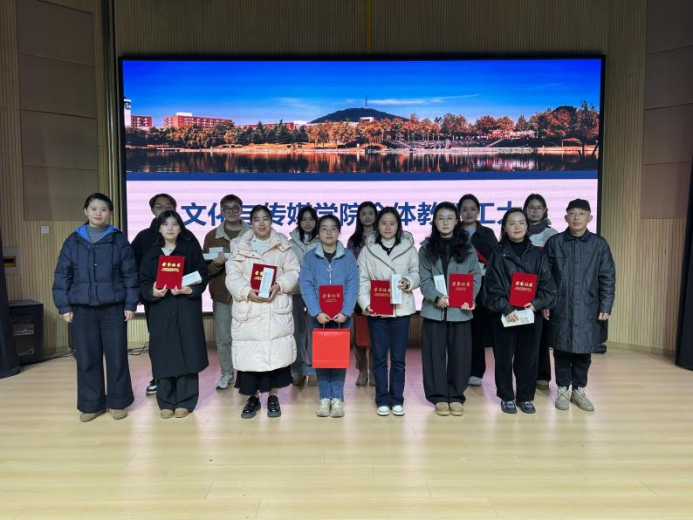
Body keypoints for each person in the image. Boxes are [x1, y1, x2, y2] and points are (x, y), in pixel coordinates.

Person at [52, 193, 137, 422]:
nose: (98, 213)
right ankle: (92, 404)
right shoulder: (73, 240)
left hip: (113, 308)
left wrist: (130, 304)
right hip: (83, 309)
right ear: (86, 211)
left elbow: (130, 274)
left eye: (103, 209)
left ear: (110, 213)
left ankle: (118, 402)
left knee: (117, 357)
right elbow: (63, 274)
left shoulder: (119, 240)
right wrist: (64, 306)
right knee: (87, 357)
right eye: (94, 209)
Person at [226, 205, 300, 419]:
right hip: (250, 308)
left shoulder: (283, 245)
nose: (261, 223)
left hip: (275, 306)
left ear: (271, 221)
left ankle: (274, 396)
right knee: (250, 356)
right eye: (256, 219)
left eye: (265, 218)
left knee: (275, 355)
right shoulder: (239, 246)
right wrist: (246, 291)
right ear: (251, 223)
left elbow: (294, 271)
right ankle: (253, 398)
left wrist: (281, 284)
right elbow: (232, 275)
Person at [543, 199, 615, 412]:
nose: (576, 217)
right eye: (572, 213)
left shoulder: (599, 244)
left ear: (589, 218)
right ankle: (562, 389)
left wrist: (605, 305)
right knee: (561, 350)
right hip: (560, 305)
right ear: (565, 217)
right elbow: (546, 277)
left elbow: (607, 276)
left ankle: (579, 390)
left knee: (584, 352)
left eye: (581, 213)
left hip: (588, 306)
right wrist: (546, 302)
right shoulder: (555, 242)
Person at [482, 208, 556, 414]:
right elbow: (491, 287)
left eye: (521, 222)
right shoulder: (497, 254)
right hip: (505, 315)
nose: (517, 227)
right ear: (505, 228)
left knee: (528, 359)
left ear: (527, 226)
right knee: (503, 359)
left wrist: (537, 303)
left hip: (530, 314)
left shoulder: (538, 255)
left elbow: (548, 285)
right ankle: (506, 396)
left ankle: (525, 397)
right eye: (512, 223)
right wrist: (506, 307)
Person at [139, 211, 210, 419]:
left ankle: (186, 401)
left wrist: (190, 289)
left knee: (188, 350)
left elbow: (202, 275)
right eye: (165, 224)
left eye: (174, 224)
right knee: (163, 352)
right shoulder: (151, 254)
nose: (170, 228)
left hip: (186, 308)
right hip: (160, 309)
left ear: (180, 228)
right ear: (159, 228)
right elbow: (143, 282)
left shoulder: (190, 250)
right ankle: (166, 400)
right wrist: (153, 291)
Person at [419, 203, 482, 416]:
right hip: (434, 310)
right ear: (434, 222)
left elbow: (475, 276)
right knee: (433, 355)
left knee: (460, 355)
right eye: (440, 218)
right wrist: (436, 297)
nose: (445, 222)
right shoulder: (426, 248)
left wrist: (469, 298)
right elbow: (424, 278)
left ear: (457, 221)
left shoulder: (468, 248)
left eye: (449, 218)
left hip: (460, 311)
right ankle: (438, 396)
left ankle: (456, 395)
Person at [357, 207, 420, 416]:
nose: (387, 227)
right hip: (377, 311)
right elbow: (362, 279)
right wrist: (366, 303)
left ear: (398, 225)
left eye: (392, 223)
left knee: (399, 359)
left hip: (401, 310)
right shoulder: (368, 249)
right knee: (380, 358)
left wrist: (408, 281)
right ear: (377, 225)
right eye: (383, 223)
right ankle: (382, 398)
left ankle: (397, 399)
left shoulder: (408, 247)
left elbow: (417, 272)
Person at [299, 215, 359, 417]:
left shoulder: (348, 256)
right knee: (322, 358)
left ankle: (338, 399)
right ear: (318, 232)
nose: (329, 232)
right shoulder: (310, 257)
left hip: (342, 316)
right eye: (324, 228)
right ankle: (325, 397)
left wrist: (346, 311)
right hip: (318, 316)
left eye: (333, 228)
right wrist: (316, 311)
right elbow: (306, 285)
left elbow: (353, 284)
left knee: (338, 358)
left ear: (339, 232)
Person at [131, 193, 178, 396]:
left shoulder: (185, 235)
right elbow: (134, 267)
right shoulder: (143, 237)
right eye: (159, 206)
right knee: (158, 339)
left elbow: (195, 266)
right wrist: (148, 289)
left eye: (168, 206)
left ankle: (179, 377)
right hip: (156, 298)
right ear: (152, 210)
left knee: (180, 338)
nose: (164, 209)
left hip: (180, 297)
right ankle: (159, 376)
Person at [203, 194, 251, 390]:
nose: (231, 211)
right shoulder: (212, 236)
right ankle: (227, 374)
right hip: (222, 295)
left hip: (248, 295)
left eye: (235, 207)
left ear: (241, 210)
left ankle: (247, 373)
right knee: (223, 338)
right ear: (221, 211)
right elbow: (205, 270)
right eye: (227, 208)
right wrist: (216, 264)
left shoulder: (252, 233)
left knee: (248, 336)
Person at [458, 194, 498, 386]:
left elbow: (495, 259)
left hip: (481, 286)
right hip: (458, 285)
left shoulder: (487, 233)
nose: (468, 213)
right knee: (459, 329)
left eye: (472, 209)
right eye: (464, 209)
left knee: (478, 329)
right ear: (459, 212)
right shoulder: (454, 231)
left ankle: (476, 371)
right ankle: (459, 369)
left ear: (478, 211)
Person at [523, 193, 559, 391]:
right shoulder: (518, 229)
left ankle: (542, 375)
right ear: (525, 210)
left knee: (542, 336)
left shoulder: (551, 234)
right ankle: (524, 375)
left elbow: (555, 266)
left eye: (539, 207)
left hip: (542, 291)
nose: (535, 211)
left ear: (545, 210)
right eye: (531, 207)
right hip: (521, 290)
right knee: (523, 336)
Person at [346, 201, 377, 386]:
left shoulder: (382, 237)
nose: (367, 217)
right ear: (358, 217)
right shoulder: (353, 240)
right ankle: (362, 371)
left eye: (370, 213)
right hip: (359, 291)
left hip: (378, 291)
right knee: (359, 335)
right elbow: (349, 266)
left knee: (376, 333)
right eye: (363, 213)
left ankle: (374, 370)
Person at [289, 206, 320, 387]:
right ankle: (298, 369)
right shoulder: (289, 243)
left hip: (316, 293)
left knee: (315, 330)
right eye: (303, 219)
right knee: (297, 332)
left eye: (311, 219)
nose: (307, 223)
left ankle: (314, 369)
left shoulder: (322, 240)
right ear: (298, 222)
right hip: (295, 292)